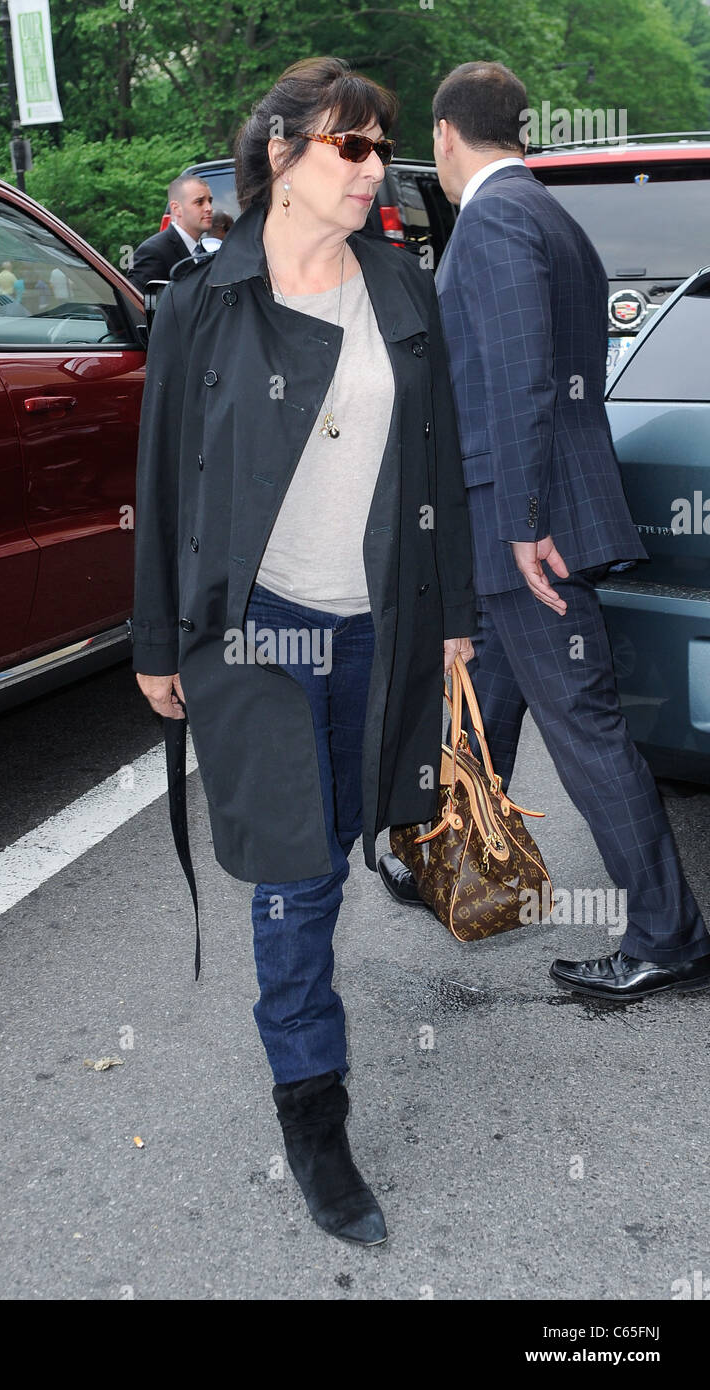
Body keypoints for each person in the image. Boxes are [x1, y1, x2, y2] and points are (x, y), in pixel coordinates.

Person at [130, 55, 476, 1246]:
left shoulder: (403, 288)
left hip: (378, 623)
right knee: (299, 882)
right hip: (256, 632)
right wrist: (157, 639)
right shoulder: (202, 300)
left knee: (343, 833)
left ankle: (308, 1071)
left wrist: (459, 620)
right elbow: (165, 476)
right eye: (355, 146)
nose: (377, 168)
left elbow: (438, 463)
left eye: (383, 146)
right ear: (283, 155)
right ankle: (316, 1122)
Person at [379, 61, 710, 1000]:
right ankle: (446, 853)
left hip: (525, 527)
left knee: (588, 730)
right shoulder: (555, 217)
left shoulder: (494, 222)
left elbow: (525, 383)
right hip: (519, 515)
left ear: (446, 135)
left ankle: (666, 934)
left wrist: (524, 524)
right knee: (483, 701)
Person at [126, 175, 214, 293]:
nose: (209, 208)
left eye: (210, 201)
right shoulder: (152, 252)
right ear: (176, 208)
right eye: (199, 202)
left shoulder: (204, 252)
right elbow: (137, 305)